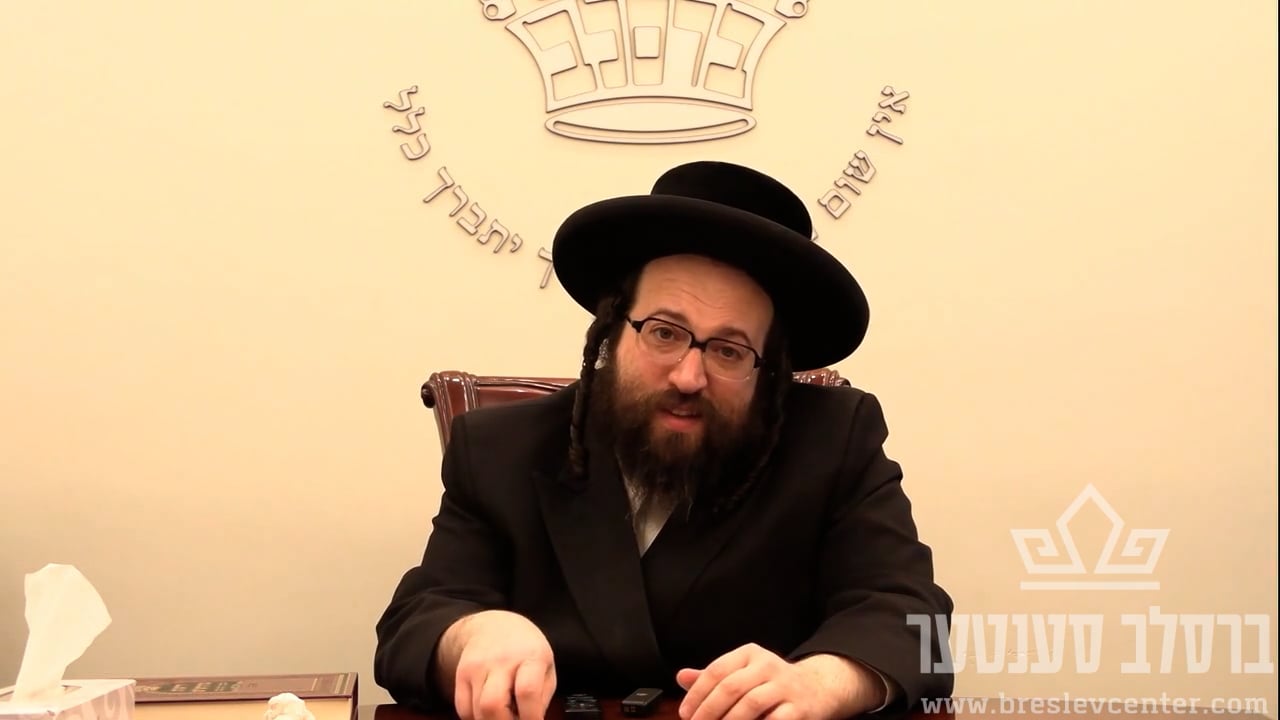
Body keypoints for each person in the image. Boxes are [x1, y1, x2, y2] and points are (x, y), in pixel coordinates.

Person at [374, 160, 954, 720]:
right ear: (612, 328)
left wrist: (823, 681)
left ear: (770, 369)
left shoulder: (834, 438)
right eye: (665, 333)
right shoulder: (498, 448)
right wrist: (472, 633)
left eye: (729, 350)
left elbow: (914, 618)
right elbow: (415, 621)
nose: (688, 376)